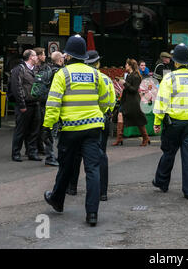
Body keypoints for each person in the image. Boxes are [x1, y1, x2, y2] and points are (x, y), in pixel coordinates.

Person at [43, 34, 110, 227]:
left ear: (69, 55)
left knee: (66, 166)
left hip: (71, 129)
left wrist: (48, 125)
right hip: (93, 128)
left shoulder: (62, 75)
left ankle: (57, 199)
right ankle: (92, 214)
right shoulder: (96, 75)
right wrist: (100, 114)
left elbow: (53, 103)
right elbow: (105, 102)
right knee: (92, 169)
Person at [152, 43, 188, 199]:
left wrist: (157, 121)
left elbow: (162, 101)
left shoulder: (169, 77)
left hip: (173, 123)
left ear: (175, 62)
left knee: (169, 152)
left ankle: (162, 182)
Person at [67, 50, 116, 201]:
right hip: (100, 120)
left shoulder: (74, 76)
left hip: (78, 120)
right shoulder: (105, 78)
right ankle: (102, 193)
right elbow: (111, 101)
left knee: (76, 154)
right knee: (101, 155)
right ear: (98, 63)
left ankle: (72, 187)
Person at [10, 49, 42, 162]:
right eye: (35, 55)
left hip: (35, 103)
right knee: (21, 130)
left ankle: (32, 152)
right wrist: (21, 104)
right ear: (30, 57)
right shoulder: (19, 69)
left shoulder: (37, 69)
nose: (37, 57)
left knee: (34, 130)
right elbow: (16, 87)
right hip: (24, 104)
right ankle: (16, 153)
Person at [112, 58, 150, 146]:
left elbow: (134, 89)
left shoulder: (136, 76)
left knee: (139, 120)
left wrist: (124, 83)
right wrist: (122, 82)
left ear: (130, 66)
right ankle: (119, 138)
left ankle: (145, 137)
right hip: (126, 101)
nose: (125, 66)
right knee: (120, 115)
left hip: (133, 102)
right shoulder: (129, 75)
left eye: (126, 64)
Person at [34, 47, 58, 167]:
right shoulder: (52, 71)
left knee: (47, 130)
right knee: (50, 132)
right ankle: (50, 157)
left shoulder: (44, 69)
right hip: (50, 105)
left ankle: (48, 154)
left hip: (45, 104)